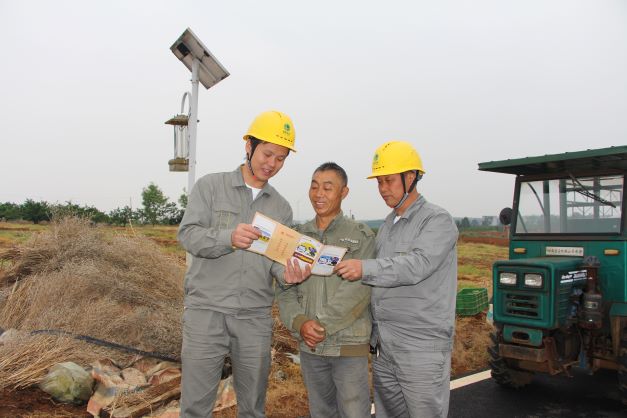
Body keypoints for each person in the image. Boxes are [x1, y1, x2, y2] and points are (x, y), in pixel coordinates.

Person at [177, 110, 307, 418]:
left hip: (254, 318)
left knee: (252, 408)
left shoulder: (281, 208)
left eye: (280, 158)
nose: (272, 163)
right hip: (206, 311)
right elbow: (188, 235)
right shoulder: (210, 187)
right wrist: (228, 237)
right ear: (249, 146)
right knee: (195, 407)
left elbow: (275, 262)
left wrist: (288, 274)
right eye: (267, 153)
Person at [335, 141, 458, 418]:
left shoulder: (436, 220)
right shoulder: (388, 225)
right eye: (379, 182)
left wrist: (364, 268)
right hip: (384, 346)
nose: (382, 189)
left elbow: (417, 264)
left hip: (420, 347)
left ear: (410, 177)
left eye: (389, 180)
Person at [276, 162, 375, 418]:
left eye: (328, 188)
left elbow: (359, 290)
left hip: (348, 343)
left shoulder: (360, 236)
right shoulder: (298, 237)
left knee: (354, 413)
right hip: (310, 346)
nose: (319, 194)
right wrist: (300, 323)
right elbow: (285, 288)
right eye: (314, 186)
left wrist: (320, 326)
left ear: (344, 192)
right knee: (320, 412)